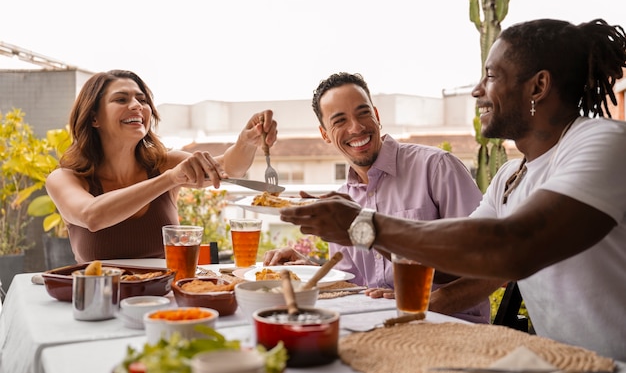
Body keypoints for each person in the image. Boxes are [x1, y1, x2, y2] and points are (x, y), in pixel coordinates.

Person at [280, 19, 626, 361]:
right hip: (569, 362)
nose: (477, 90)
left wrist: (365, 225)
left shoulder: (604, 143)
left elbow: (513, 247)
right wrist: (357, 241)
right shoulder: (509, 177)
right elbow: (463, 261)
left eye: (490, 76)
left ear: (538, 87)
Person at [265, 72, 503, 324]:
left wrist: (424, 305)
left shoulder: (436, 167)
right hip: (380, 326)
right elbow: (355, 285)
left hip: (453, 326)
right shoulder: (342, 202)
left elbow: (493, 266)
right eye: (340, 120)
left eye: (363, 113)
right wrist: (309, 267)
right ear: (325, 134)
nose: (356, 128)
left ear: (377, 116)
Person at [45, 69, 277, 263]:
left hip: (163, 300)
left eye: (142, 99)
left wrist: (246, 142)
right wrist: (169, 179)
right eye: (121, 99)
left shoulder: (164, 163)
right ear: (94, 117)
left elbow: (227, 168)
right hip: (101, 303)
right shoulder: (65, 178)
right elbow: (91, 216)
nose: (137, 105)